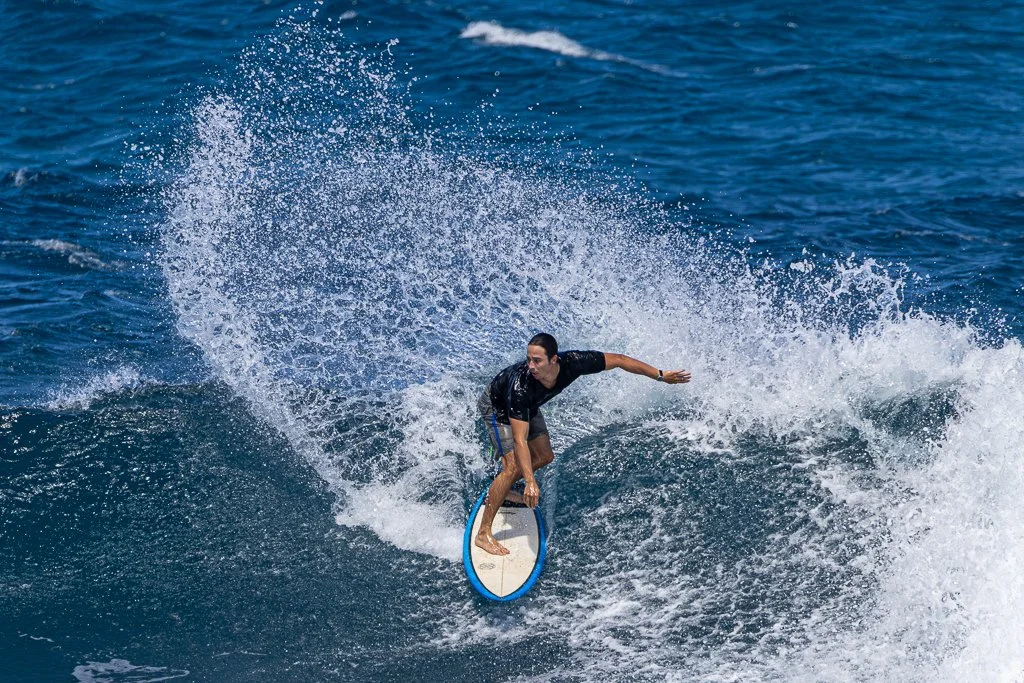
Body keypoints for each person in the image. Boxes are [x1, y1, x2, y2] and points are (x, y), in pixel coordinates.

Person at [474, 332, 691, 555]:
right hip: (498, 406)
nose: (530, 365)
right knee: (512, 467)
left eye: (537, 360)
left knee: (545, 456)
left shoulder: (575, 362)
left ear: (554, 360)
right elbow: (520, 439)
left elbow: (619, 360)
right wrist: (530, 480)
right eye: (528, 359)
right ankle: (483, 534)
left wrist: (660, 375)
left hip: (529, 406)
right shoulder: (521, 386)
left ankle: (504, 487)